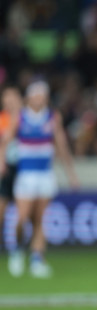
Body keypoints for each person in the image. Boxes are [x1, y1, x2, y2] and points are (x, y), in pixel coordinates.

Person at [0, 80, 79, 278]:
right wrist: (1, 161)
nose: (39, 98)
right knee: (22, 217)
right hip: (26, 174)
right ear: (30, 97)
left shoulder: (53, 117)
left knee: (40, 219)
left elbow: (61, 146)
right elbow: (7, 140)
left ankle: (37, 258)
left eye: (42, 95)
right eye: (36, 95)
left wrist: (71, 174)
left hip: (45, 174)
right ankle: (17, 250)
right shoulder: (21, 117)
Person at [0, 87, 23, 271]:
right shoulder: (2, 119)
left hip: (24, 170)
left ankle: (19, 250)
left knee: (23, 215)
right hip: (6, 170)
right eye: (5, 98)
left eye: (11, 97)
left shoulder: (26, 118)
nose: (8, 101)